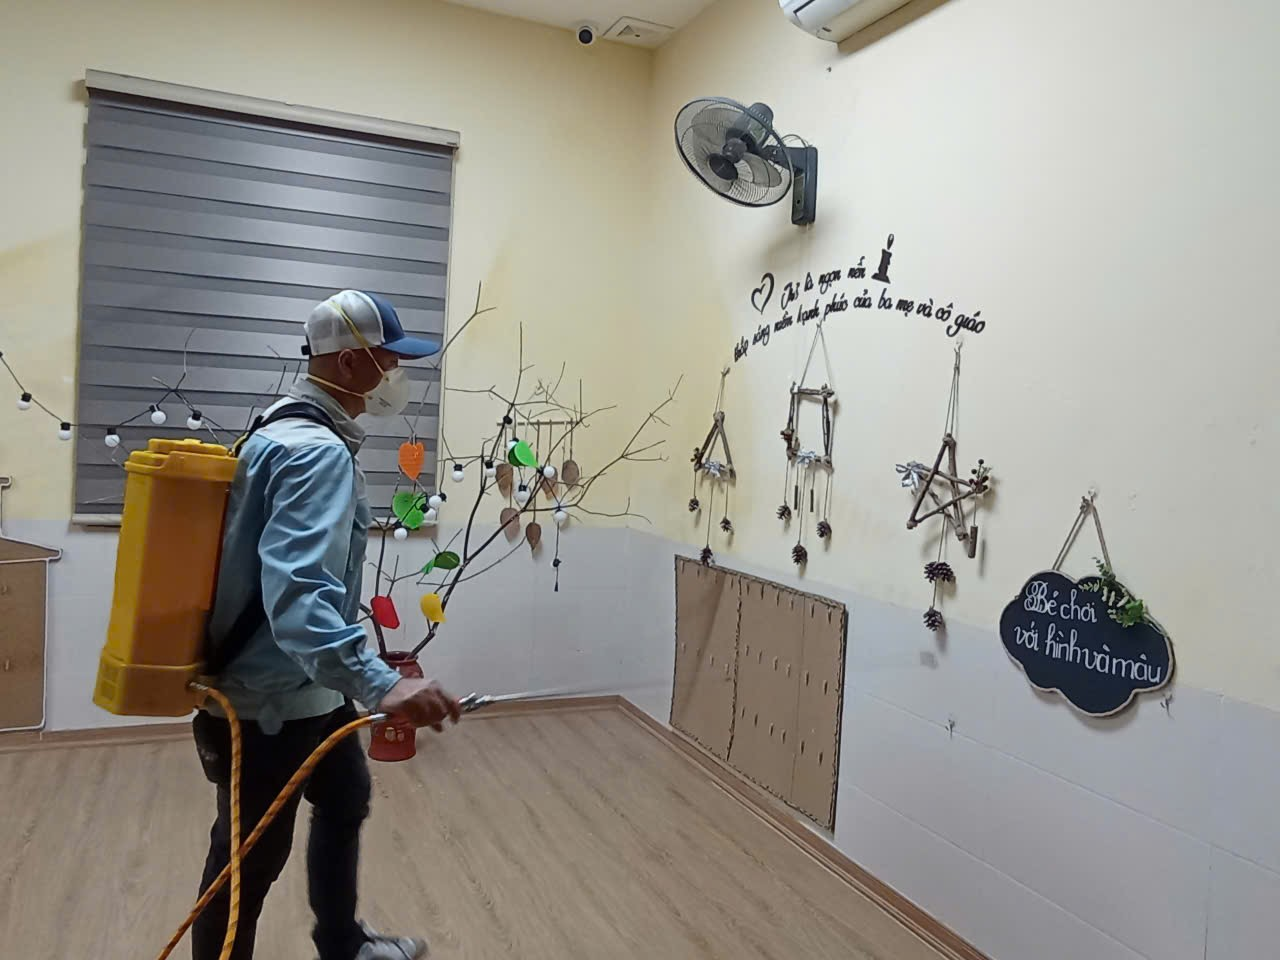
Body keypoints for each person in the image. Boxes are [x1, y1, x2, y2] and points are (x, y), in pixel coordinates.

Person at [193, 290, 458, 960]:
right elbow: (300, 599)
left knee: (345, 795)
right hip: (270, 700)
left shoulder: (275, 428)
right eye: (388, 359)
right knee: (244, 868)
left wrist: (349, 684)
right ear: (347, 363)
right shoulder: (316, 453)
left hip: (309, 688)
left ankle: (342, 944)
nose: (395, 373)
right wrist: (383, 683)